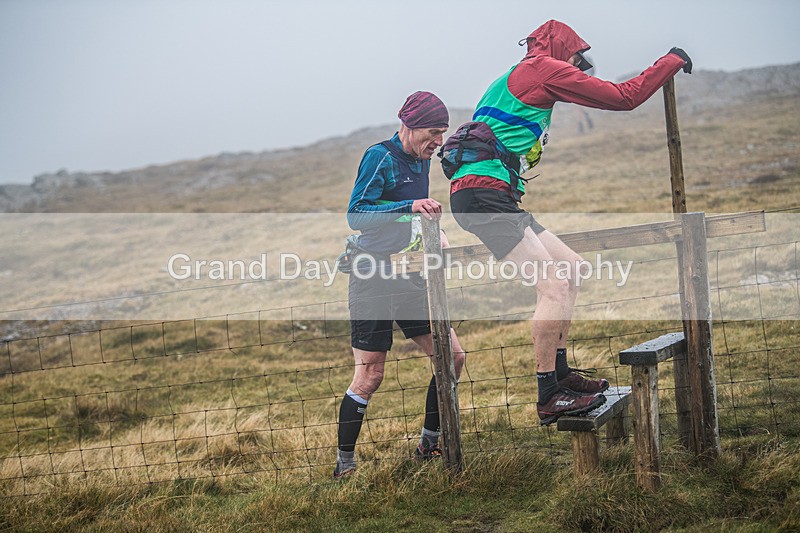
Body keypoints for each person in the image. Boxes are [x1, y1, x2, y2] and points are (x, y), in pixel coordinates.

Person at [447, 20, 692, 425]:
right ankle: (549, 394)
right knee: (553, 284)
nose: (581, 69)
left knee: (572, 268)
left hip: (490, 193)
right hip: (484, 194)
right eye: (579, 60)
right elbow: (623, 97)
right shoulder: (547, 69)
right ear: (564, 49)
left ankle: (561, 375)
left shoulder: (512, 75)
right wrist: (671, 61)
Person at [335, 91, 466, 479]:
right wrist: (408, 208)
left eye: (442, 132)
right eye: (432, 132)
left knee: (452, 356)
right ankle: (344, 465)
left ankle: (428, 445)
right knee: (371, 375)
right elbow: (357, 215)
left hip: (407, 274)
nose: (438, 141)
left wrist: (430, 232)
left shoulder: (421, 160)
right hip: (371, 276)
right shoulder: (382, 156)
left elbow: (408, 217)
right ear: (409, 126)